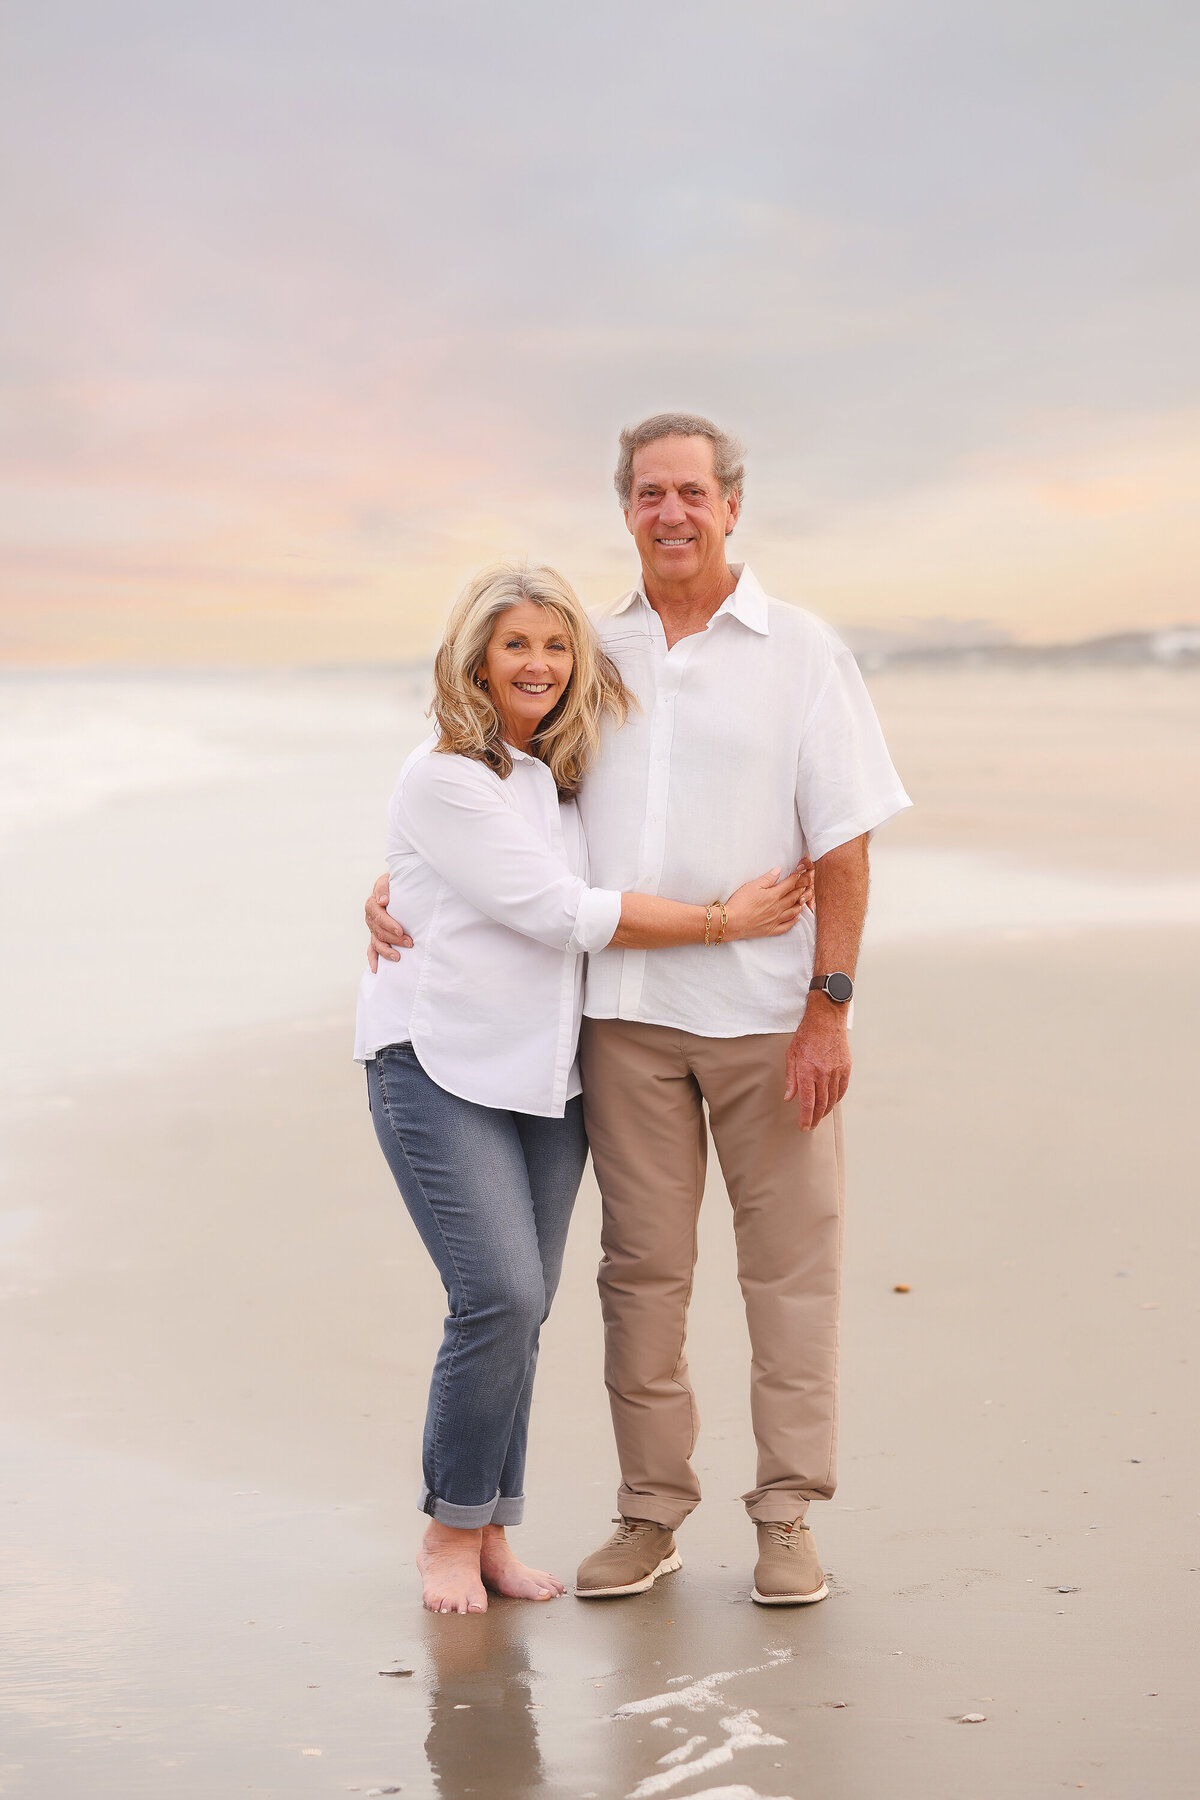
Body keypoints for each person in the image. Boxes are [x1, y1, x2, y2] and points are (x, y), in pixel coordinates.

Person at [369, 414, 910, 1606]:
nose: (673, 512)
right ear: (627, 508)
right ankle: (650, 1511)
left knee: (790, 1273)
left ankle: (784, 1516)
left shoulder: (803, 651)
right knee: (640, 1277)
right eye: (651, 493)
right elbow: (500, 799)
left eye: (694, 492)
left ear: (731, 506)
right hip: (619, 1023)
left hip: (771, 1019)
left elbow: (848, 840)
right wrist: (400, 878)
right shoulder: (587, 649)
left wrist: (831, 1007)